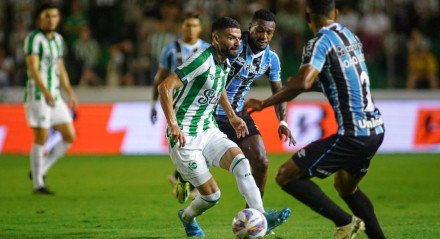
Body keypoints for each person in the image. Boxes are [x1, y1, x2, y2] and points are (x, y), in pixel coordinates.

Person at [245, 1, 386, 238]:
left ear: (307, 16)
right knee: (346, 186)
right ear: (336, 13)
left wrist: (263, 103)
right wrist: (313, 84)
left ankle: (345, 222)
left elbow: (303, 82)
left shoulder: (319, 42)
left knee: (286, 175)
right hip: (375, 128)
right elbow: (341, 79)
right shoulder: (350, 35)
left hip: (352, 134)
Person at [158, 17, 290, 237]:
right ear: (215, 38)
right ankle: (188, 218)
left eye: (239, 38)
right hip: (185, 137)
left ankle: (260, 215)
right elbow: (165, 87)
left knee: (242, 163)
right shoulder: (201, 59)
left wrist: (232, 116)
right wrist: (173, 125)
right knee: (212, 197)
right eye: (231, 38)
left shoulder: (226, 61)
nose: (237, 43)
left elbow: (218, 88)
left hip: (208, 130)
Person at [215, 9, 295, 205]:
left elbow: (279, 93)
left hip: (238, 113)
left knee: (261, 161)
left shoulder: (271, 59)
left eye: (269, 32)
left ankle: (255, 216)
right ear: (249, 28)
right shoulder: (233, 45)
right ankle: (183, 176)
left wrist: (282, 121)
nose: (264, 36)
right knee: (198, 162)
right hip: (210, 111)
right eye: (259, 30)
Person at [150, 12, 210, 203]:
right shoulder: (170, 49)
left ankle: (180, 179)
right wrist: (152, 103)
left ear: (200, 28)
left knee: (203, 147)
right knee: (189, 146)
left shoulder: (208, 49)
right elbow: (160, 78)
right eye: (187, 25)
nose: (191, 29)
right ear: (181, 27)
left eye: (194, 25)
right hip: (178, 107)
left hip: (202, 105)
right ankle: (184, 181)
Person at [24, 3, 77, 195]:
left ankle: (40, 169)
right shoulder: (33, 39)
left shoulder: (58, 40)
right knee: (42, 136)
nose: (51, 19)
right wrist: (44, 91)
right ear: (40, 18)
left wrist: (69, 92)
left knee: (70, 135)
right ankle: (38, 184)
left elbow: (60, 68)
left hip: (55, 95)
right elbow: (33, 68)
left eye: (54, 16)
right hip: (38, 95)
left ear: (59, 18)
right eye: (47, 16)